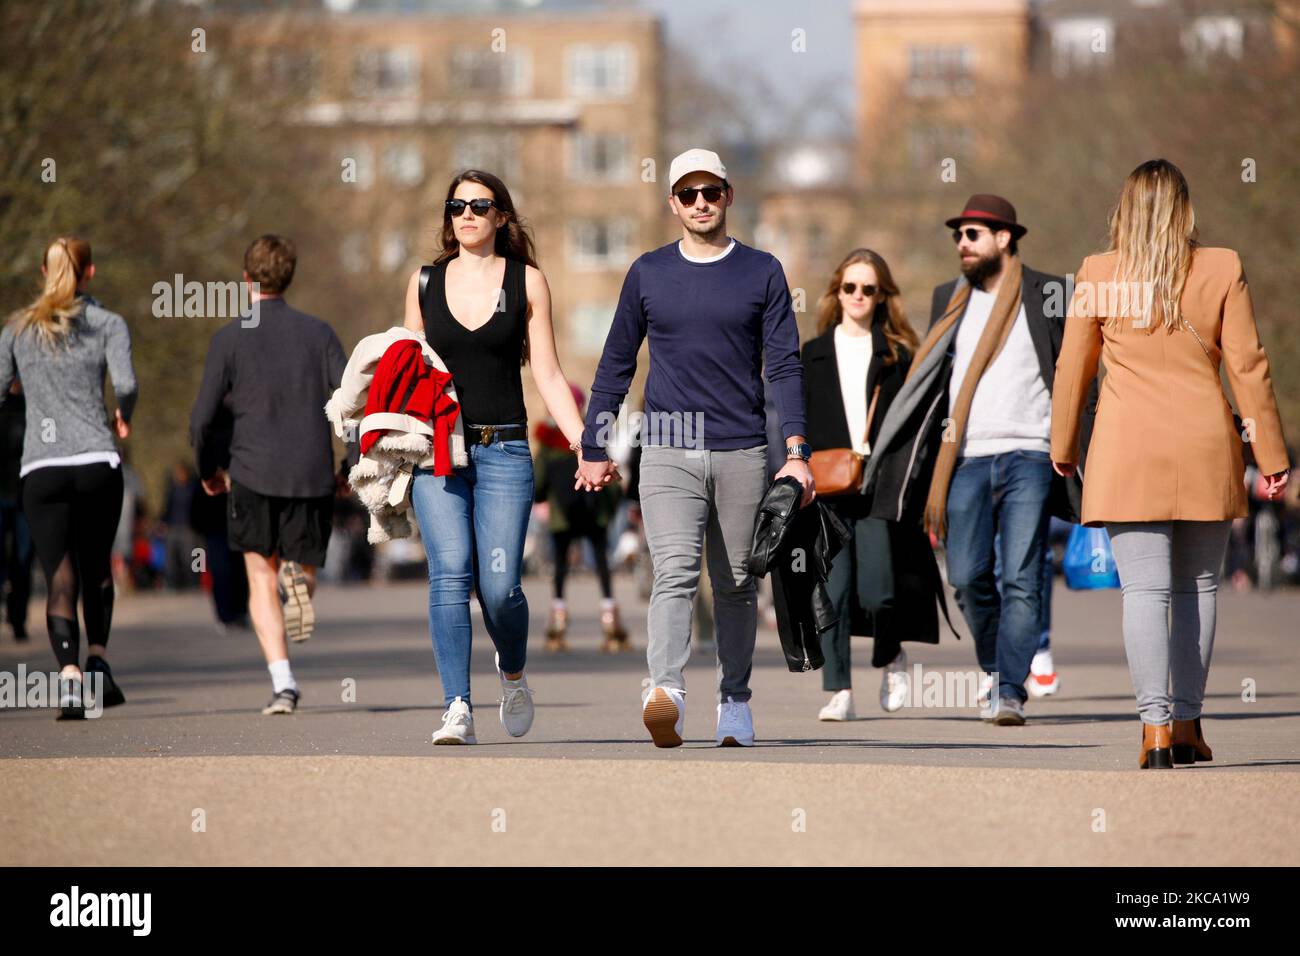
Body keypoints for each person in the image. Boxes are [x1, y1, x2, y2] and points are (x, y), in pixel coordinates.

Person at [1051, 159, 1290, 769]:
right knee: (1199, 588)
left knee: (1145, 591)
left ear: (1124, 208)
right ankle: (1187, 725)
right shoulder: (1221, 266)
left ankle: (1153, 731)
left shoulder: (1099, 273)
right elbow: (1249, 365)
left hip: (1127, 449)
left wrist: (1062, 447)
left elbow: (1072, 368)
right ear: (1186, 209)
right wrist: (1271, 454)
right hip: (1204, 443)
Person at [577, 147, 814, 748]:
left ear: (729, 197)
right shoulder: (648, 273)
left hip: (740, 445)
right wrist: (594, 444)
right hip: (667, 443)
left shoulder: (762, 271)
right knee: (674, 572)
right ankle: (667, 694)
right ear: (673, 204)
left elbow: (784, 364)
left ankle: (734, 701)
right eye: (689, 194)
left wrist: (796, 449)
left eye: (711, 192)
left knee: (735, 581)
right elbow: (615, 364)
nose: (701, 203)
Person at [859, 194, 1091, 726]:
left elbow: (1077, 370)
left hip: (1031, 453)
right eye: (958, 236)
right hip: (963, 457)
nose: (962, 245)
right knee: (965, 574)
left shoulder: (1050, 292)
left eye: (972, 234)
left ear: (1005, 238)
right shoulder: (951, 297)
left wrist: (1079, 443)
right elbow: (929, 380)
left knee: (1022, 575)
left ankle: (1010, 688)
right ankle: (995, 664)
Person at [403, 169, 588, 745]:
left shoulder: (528, 281)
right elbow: (405, 369)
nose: (467, 214)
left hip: (504, 448)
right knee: (450, 574)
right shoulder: (424, 283)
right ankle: (457, 706)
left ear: (501, 216)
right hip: (437, 451)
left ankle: (512, 673)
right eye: (457, 205)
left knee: (501, 584)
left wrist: (587, 444)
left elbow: (551, 375)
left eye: (480, 206)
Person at [191, 234, 345, 715]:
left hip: (251, 473)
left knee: (260, 577)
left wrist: (208, 469)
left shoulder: (229, 338)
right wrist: (352, 462)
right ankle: (298, 581)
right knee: (299, 569)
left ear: (245, 281)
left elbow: (201, 418)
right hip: (311, 472)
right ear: (289, 277)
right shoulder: (320, 334)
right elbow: (351, 403)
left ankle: (284, 684)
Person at [802, 248, 950, 719]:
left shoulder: (900, 354)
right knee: (835, 591)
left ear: (883, 294)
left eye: (869, 288)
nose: (859, 296)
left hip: (880, 487)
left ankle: (891, 657)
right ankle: (839, 691)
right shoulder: (813, 353)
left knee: (880, 590)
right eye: (850, 287)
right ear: (837, 292)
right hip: (827, 488)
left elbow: (919, 427)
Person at [0, 237, 137, 718]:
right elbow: (126, 385)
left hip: (42, 469)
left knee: (61, 576)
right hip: (97, 462)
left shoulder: (16, 330)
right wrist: (124, 415)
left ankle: (70, 679)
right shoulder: (108, 324)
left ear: (42, 271)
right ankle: (98, 662)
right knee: (97, 566)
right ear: (90, 273)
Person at [533, 382, 629, 653]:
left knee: (561, 567)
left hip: (561, 515)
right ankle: (611, 622)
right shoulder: (592, 435)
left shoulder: (548, 441)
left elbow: (539, 482)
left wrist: (544, 498)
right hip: (593, 510)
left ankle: (558, 623)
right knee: (601, 563)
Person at [0, 380, 34, 642]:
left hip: (25, 495)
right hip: (3, 493)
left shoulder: (32, 406)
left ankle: (19, 617)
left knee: (23, 561)